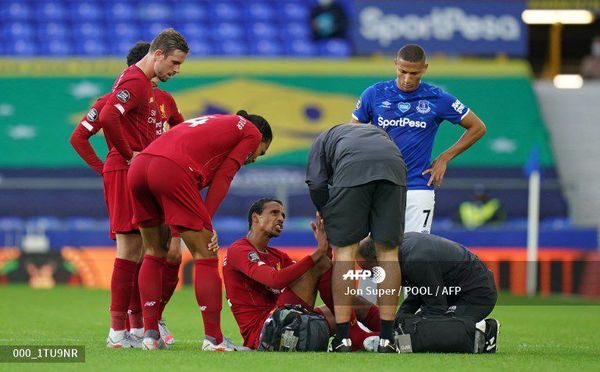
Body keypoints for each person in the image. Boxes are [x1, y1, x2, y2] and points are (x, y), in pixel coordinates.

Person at [70, 41, 185, 348]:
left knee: (147, 251)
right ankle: (122, 331)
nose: (171, 73)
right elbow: (80, 136)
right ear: (153, 61)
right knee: (134, 250)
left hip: (144, 174)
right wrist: (111, 166)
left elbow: (180, 131)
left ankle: (141, 325)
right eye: (172, 65)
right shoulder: (123, 93)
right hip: (126, 172)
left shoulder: (160, 99)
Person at [128, 111, 273, 350]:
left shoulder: (216, 122)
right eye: (262, 151)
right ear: (261, 139)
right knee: (205, 254)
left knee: (154, 252)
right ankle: (214, 339)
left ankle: (150, 335)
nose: (256, 158)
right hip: (170, 169)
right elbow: (224, 178)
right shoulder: (251, 132)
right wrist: (207, 222)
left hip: (140, 167)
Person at [352, 44, 487, 234]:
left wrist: (444, 157)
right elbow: (353, 131)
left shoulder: (438, 98)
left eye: (414, 73)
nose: (407, 79)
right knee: (369, 250)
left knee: (414, 252)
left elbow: (478, 127)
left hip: (417, 187)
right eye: (403, 71)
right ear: (395, 64)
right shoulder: (374, 94)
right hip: (379, 185)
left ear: (425, 68)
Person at [223, 198, 381, 351]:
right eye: (274, 213)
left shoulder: (277, 256)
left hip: (289, 319)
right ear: (255, 218)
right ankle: (355, 336)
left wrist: (326, 252)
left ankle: (392, 331)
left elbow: (314, 275)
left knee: (351, 301)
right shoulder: (238, 249)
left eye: (283, 215)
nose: (281, 218)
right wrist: (317, 255)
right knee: (319, 265)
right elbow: (274, 280)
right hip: (265, 331)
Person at [306, 123, 407, 353]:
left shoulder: (322, 138)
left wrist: (325, 210)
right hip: (394, 167)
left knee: (344, 252)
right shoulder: (379, 133)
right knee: (389, 254)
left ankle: (343, 339)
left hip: (352, 169)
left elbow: (316, 183)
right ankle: (388, 339)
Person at [357, 232, 500, 352]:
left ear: (380, 258)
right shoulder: (401, 250)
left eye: (370, 270)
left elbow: (436, 307)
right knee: (411, 324)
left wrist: (413, 330)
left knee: (430, 331)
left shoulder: (416, 260)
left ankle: (486, 332)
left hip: (476, 297)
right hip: (457, 293)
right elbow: (418, 294)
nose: (371, 275)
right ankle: (402, 340)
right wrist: (399, 322)